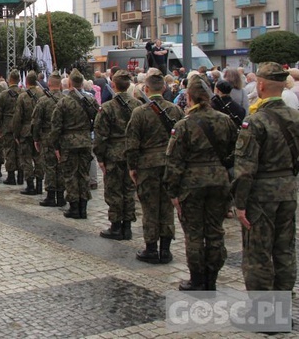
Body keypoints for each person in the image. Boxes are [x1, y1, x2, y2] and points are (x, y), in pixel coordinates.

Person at [164, 76, 238, 291]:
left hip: (192, 183)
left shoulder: (184, 125)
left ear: (189, 98)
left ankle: (197, 279)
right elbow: (235, 153)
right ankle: (212, 278)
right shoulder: (225, 120)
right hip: (219, 181)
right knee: (215, 231)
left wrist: (173, 191)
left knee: (194, 233)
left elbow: (174, 161)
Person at [231, 62, 299, 292]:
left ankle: (264, 315)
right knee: (284, 250)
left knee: (258, 252)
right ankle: (281, 310)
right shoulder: (296, 117)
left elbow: (244, 168)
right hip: (288, 190)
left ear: (260, 86)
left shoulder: (256, 121)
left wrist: (239, 203)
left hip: (261, 195)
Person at [126, 70, 185, 264]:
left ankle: (151, 248)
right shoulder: (175, 110)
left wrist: (132, 166)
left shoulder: (140, 112)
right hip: (169, 164)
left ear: (146, 89)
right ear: (165, 88)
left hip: (147, 165)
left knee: (150, 207)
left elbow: (132, 143)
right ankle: (166, 249)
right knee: (167, 206)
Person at [94, 70, 141, 240]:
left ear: (113, 85)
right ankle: (127, 226)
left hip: (113, 154)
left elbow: (101, 134)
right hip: (131, 152)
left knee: (114, 191)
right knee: (128, 190)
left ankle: (116, 226)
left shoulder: (107, 107)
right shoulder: (138, 105)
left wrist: (100, 157)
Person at [49, 69, 99, 219]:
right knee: (83, 175)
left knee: (70, 176)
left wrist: (56, 145)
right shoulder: (90, 100)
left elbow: (56, 126)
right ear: (82, 83)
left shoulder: (63, 101)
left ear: (69, 83)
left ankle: (74, 208)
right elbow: (98, 120)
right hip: (85, 141)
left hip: (68, 143)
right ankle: (83, 207)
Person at [34, 72, 66, 207]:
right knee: (61, 166)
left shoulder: (43, 100)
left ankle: (51, 196)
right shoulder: (66, 100)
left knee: (50, 166)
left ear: (49, 84)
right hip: (63, 137)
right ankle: (61, 196)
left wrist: (36, 138)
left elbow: (36, 122)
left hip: (47, 137)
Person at [12, 71, 45, 195]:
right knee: (38, 158)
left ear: (26, 81)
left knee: (26, 159)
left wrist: (16, 133)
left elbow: (17, 117)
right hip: (39, 131)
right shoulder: (42, 94)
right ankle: (40, 184)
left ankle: (30, 185)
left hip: (25, 131)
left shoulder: (23, 96)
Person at [0, 70, 23, 185]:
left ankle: (11, 176)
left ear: (9, 79)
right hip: (20, 126)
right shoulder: (23, 93)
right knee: (21, 151)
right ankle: (21, 176)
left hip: (7, 126)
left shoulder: (4, 95)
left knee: (9, 151)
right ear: (19, 79)